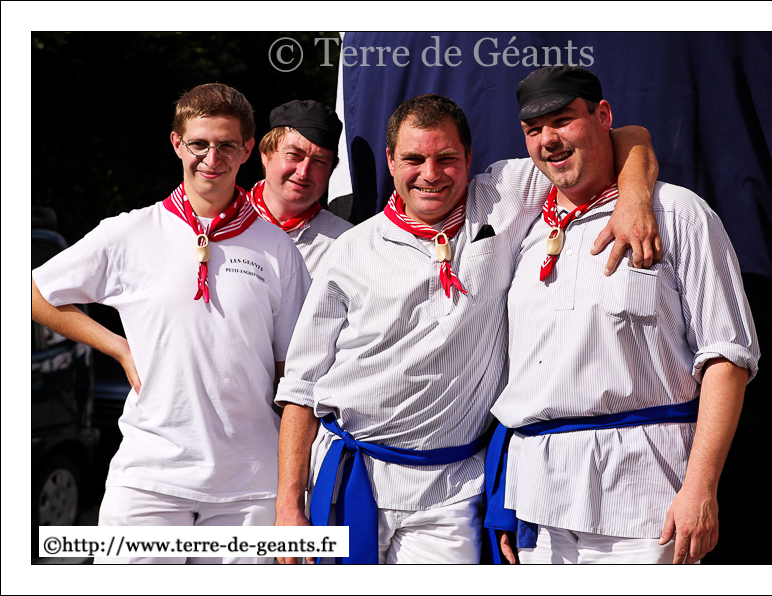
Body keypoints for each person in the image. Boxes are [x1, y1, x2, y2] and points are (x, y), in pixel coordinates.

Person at [275, 93, 661, 564]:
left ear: (469, 158)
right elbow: (301, 387)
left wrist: (635, 197)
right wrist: (288, 505)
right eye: (413, 159)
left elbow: (625, 136)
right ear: (391, 161)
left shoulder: (502, 197)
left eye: (446, 158)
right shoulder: (350, 250)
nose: (431, 174)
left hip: (452, 491)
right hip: (351, 476)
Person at [486, 66, 760, 564]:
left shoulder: (677, 213)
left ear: (603, 115)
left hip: (647, 499)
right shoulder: (519, 225)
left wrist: (701, 486)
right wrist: (509, 496)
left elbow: (728, 359)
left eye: (563, 121)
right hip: (538, 505)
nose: (548, 140)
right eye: (533, 129)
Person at [30, 83, 311, 564]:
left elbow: (295, 376)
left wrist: (292, 495)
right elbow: (35, 293)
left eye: (226, 145)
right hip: (149, 476)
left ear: (248, 149)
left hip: (250, 485)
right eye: (199, 144)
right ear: (177, 143)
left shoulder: (277, 248)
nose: (212, 158)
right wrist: (118, 347)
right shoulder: (130, 232)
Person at [248, 100, 352, 278]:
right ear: (265, 154)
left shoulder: (346, 243)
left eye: (319, 161)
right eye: (293, 155)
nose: (303, 172)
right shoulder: (223, 219)